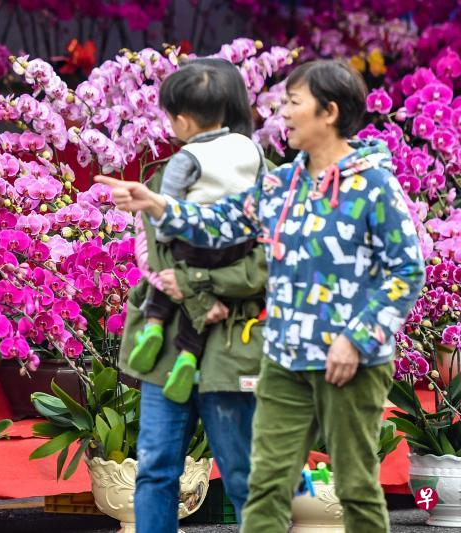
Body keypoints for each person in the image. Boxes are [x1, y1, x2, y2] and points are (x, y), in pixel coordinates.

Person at [99, 60, 425, 532]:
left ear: (328, 112)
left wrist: (356, 339)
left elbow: (404, 269)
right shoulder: (282, 183)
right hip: (281, 360)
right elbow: (219, 225)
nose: (283, 113)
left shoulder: (370, 182)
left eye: (293, 102)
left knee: (351, 484)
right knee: (263, 486)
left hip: (334, 358)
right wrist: (159, 204)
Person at [122, 58, 268, 533]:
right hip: (166, 347)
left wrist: (201, 286)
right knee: (155, 468)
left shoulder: (268, 176)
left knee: (245, 474)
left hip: (235, 345)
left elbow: (265, 265)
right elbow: (158, 257)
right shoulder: (168, 176)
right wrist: (206, 294)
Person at [130, 59, 265, 404]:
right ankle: (188, 357)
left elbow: (166, 210)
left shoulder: (185, 158)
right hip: (237, 243)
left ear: (184, 121)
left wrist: (165, 235)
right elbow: (262, 195)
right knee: (194, 303)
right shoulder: (254, 149)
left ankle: (154, 327)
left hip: (194, 241)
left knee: (175, 266)